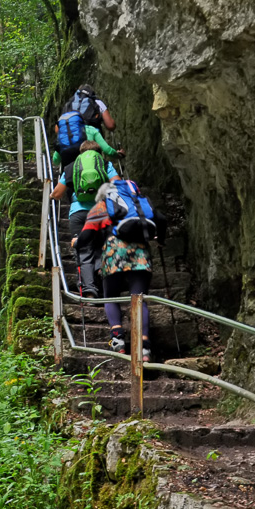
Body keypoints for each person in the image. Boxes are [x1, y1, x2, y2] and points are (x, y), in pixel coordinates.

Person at [74, 182, 167, 361]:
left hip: (114, 253)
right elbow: (161, 219)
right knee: (139, 298)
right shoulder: (140, 204)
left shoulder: (102, 206)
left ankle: (118, 339)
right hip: (140, 254)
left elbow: (86, 235)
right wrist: (161, 241)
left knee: (111, 296)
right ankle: (144, 346)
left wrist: (77, 242)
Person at [50, 141, 120, 298]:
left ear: (80, 153)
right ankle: (103, 278)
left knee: (83, 249)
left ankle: (89, 291)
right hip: (101, 212)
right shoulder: (105, 164)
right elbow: (118, 185)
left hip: (78, 213)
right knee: (102, 246)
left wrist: (51, 195)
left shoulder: (72, 167)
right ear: (99, 153)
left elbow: (57, 193)